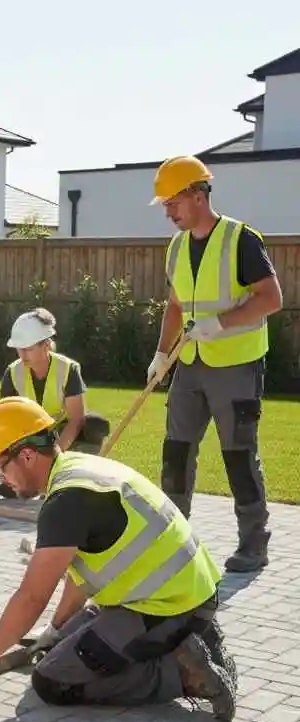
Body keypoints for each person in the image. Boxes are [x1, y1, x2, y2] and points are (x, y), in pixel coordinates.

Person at [0, 396, 238, 721]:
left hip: (170, 608)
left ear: (25, 455)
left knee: (52, 680)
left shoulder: (66, 502)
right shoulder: (77, 470)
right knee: (61, 646)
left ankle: (183, 672)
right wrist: (54, 630)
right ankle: (194, 638)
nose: (0, 478)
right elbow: (81, 576)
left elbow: (32, 597)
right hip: (185, 594)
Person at [148, 155, 283, 574]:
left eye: (173, 202)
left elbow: (271, 299)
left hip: (237, 365)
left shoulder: (241, 239)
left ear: (197, 193)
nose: (168, 212)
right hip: (188, 363)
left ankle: (253, 544)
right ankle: (174, 540)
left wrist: (220, 323)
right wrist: (161, 354)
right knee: (176, 451)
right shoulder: (176, 246)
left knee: (238, 455)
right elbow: (174, 305)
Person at [0, 307, 110, 502]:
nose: (22, 355)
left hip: (62, 434)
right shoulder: (12, 373)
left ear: (46, 345)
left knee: (93, 424)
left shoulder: (67, 369)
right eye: (18, 348)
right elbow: (5, 429)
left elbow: (76, 420)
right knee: (12, 491)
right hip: (30, 440)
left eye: (28, 348)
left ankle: (73, 476)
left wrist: (54, 460)